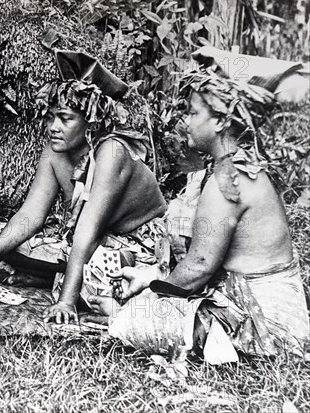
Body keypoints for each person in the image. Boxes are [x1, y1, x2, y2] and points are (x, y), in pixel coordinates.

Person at [90, 66, 309, 360]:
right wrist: (153, 275)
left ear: (219, 121)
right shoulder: (232, 170)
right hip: (261, 308)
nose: (185, 121)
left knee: (142, 319)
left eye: (193, 114)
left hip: (271, 325)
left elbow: (199, 268)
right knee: (162, 305)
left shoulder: (229, 182)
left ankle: (119, 315)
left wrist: (142, 302)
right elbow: (208, 263)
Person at [0, 50, 167, 324]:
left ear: (91, 120)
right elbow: (31, 216)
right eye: (51, 117)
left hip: (135, 247)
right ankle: (55, 276)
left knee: (100, 280)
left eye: (65, 118)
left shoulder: (112, 151)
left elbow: (88, 229)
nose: (54, 127)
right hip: (85, 240)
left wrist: (65, 301)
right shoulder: (55, 152)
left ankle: (60, 282)